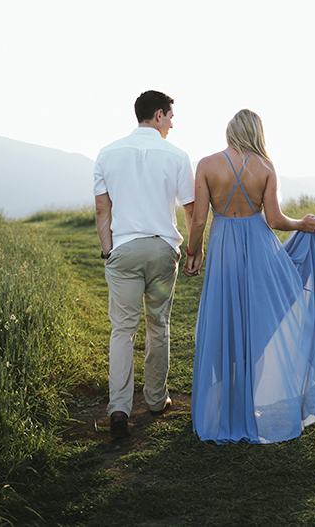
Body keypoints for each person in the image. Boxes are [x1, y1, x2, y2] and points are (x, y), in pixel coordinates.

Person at [184, 109, 315, 444]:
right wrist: (301, 224)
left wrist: (193, 252)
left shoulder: (207, 165)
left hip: (224, 246)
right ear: (257, 132)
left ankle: (226, 409)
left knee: (224, 322)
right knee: (258, 323)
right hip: (259, 249)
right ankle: (249, 402)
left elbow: (198, 220)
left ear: (230, 131)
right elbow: (273, 219)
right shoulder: (266, 167)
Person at [94, 90, 195, 440]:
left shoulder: (107, 153)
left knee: (122, 330)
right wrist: (193, 249)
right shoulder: (178, 156)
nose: (172, 122)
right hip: (162, 251)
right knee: (159, 324)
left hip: (123, 250)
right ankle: (155, 399)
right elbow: (191, 209)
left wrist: (108, 250)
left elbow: (102, 210)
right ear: (157, 115)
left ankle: (119, 408)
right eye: (170, 115)